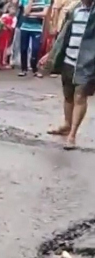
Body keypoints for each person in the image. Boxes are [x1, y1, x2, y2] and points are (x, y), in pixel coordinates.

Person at [39, 0, 95, 149]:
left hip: (88, 63)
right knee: (68, 96)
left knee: (80, 96)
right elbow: (63, 35)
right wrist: (51, 54)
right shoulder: (74, 10)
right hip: (69, 59)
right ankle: (66, 125)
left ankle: (72, 134)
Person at [18, 0, 49, 76]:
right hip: (25, 27)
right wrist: (31, 1)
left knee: (35, 48)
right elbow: (26, 11)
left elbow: (44, 14)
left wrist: (30, 14)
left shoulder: (46, 1)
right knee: (23, 48)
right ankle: (24, 69)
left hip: (37, 28)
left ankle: (34, 68)